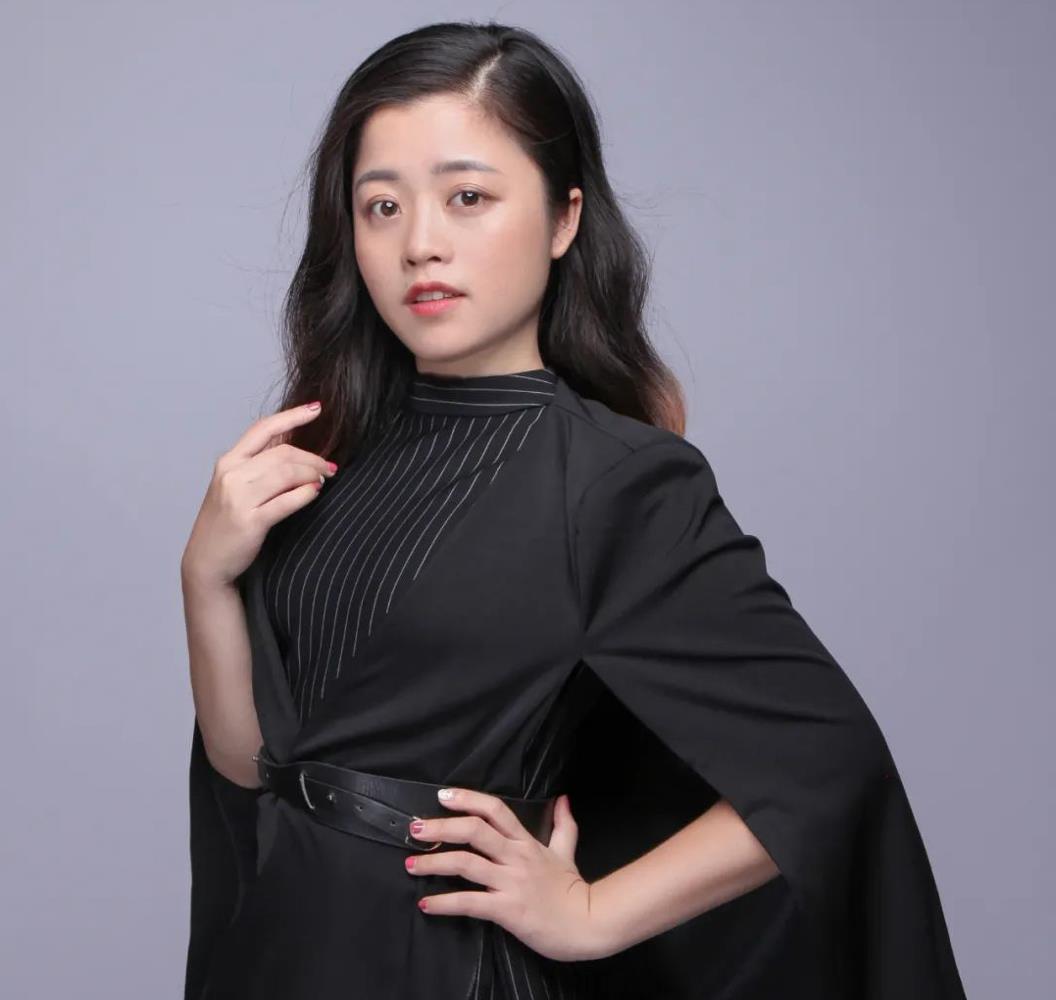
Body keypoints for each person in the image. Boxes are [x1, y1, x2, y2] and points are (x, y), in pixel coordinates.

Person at [180, 20, 968, 1000]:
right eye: (381, 206)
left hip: (442, 965)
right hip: (282, 955)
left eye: (468, 198)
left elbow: (825, 762)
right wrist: (205, 576)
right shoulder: (328, 454)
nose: (420, 243)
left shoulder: (613, 481)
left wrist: (592, 915)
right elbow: (252, 768)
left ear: (563, 219)